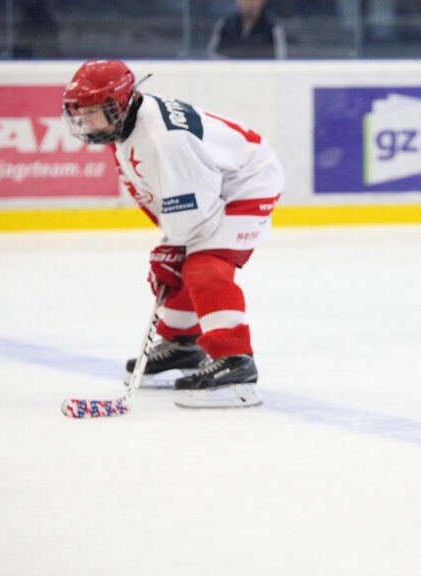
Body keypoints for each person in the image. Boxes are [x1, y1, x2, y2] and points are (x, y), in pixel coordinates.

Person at [62, 59, 283, 409]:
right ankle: (183, 345)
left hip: (246, 182)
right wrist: (173, 245)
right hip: (213, 181)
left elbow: (195, 215)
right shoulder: (128, 124)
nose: (85, 122)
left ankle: (236, 363)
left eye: (93, 112)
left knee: (204, 266)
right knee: (182, 263)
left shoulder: (164, 139)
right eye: (81, 112)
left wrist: (176, 246)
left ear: (118, 104)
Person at [207, 0, 286, 59]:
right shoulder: (225, 24)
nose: (248, 3)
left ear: (262, 1)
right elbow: (212, 54)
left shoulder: (273, 28)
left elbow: (279, 59)